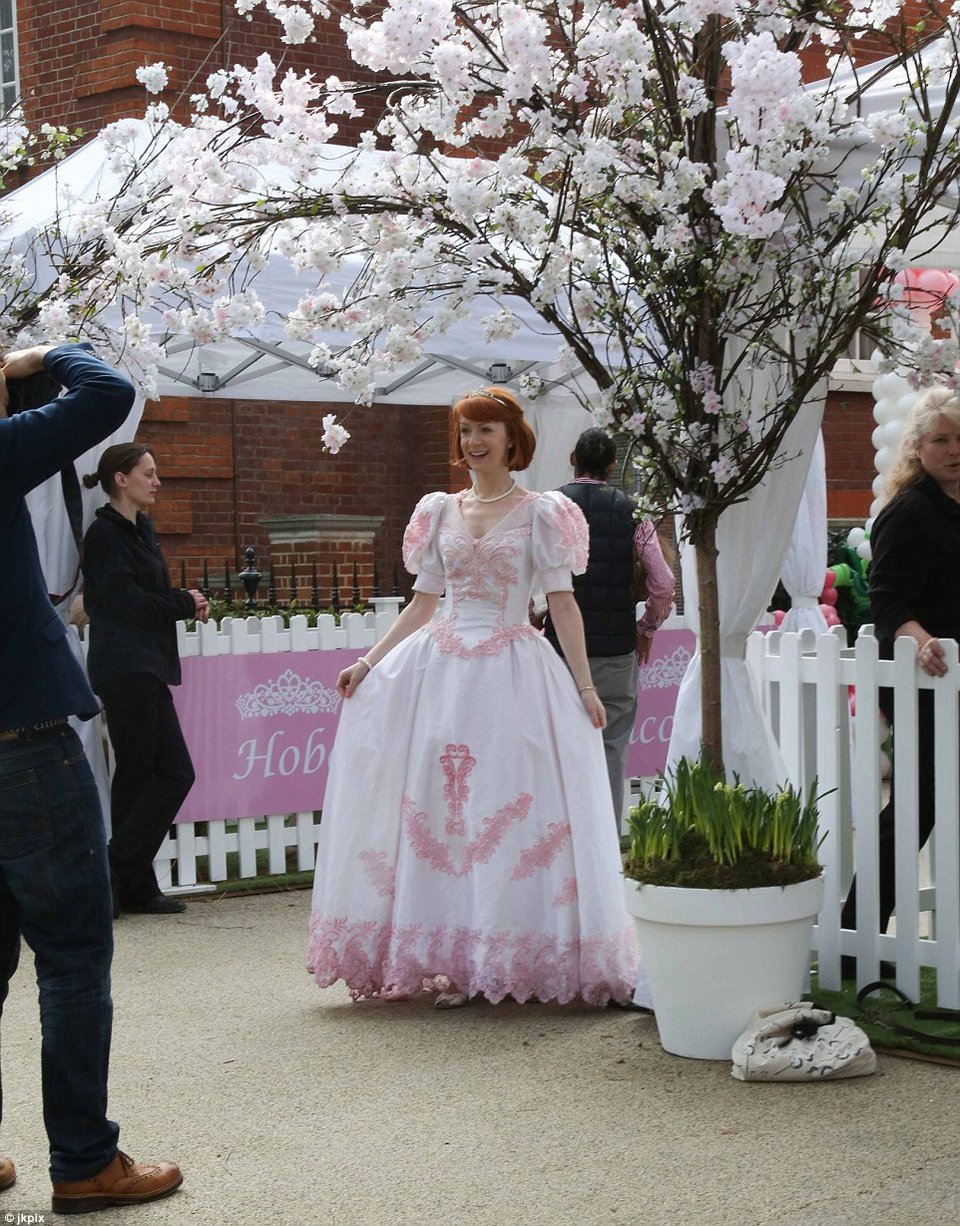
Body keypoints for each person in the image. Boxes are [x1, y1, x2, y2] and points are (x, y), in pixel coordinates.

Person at [307, 388, 639, 1008]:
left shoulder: (543, 512)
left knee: (504, 808)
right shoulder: (438, 510)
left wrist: (586, 686)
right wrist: (367, 661)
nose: (473, 442)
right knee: (440, 812)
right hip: (441, 673)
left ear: (512, 438)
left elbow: (562, 601)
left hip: (513, 673)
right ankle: (451, 958)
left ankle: (502, 952)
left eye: (485, 430)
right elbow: (422, 602)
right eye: (465, 432)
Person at [0, 342, 182, 1212]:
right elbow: (109, 391)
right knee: (73, 953)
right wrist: (39, 354)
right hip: (23, 736)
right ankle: (83, 1159)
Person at [841, 387, 960, 962]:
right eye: (942, 439)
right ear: (916, 447)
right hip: (926, 688)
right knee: (914, 812)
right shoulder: (909, 512)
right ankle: (856, 935)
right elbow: (887, 603)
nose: (955, 449)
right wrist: (920, 639)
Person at [81, 444, 209, 917]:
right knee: (170, 772)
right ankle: (117, 869)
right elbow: (120, 604)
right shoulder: (104, 535)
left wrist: (183, 598)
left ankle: (133, 886)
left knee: (140, 776)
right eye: (148, 473)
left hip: (146, 663)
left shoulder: (142, 529)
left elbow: (147, 594)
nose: (157, 482)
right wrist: (181, 604)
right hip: (125, 667)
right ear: (121, 479)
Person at [542, 428, 675, 830]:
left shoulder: (550, 509)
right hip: (617, 647)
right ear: (613, 466)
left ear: (571, 458)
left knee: (558, 747)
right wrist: (647, 628)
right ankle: (605, 841)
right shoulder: (634, 513)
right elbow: (664, 583)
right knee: (611, 747)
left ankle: (560, 840)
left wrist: (535, 612)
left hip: (561, 652)